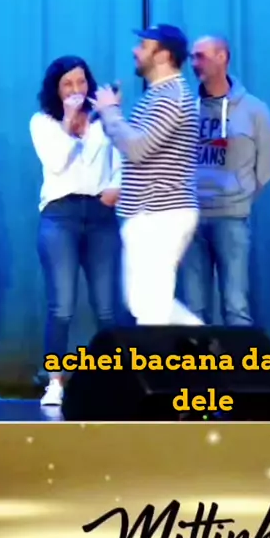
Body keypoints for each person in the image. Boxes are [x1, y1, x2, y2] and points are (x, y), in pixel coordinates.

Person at [91, 25, 202, 326]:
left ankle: (202, 348)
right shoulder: (158, 95)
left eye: (143, 46)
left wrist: (110, 111)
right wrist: (109, 114)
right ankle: (208, 344)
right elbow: (135, 145)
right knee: (142, 302)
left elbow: (137, 148)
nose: (135, 51)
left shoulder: (171, 97)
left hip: (161, 212)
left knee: (151, 308)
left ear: (163, 55)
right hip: (148, 213)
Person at [30, 55, 122, 407]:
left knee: (106, 307)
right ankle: (55, 381)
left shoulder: (103, 118)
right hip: (60, 215)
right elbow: (56, 162)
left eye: (81, 82)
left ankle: (115, 382)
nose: (76, 90)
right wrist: (69, 122)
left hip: (100, 214)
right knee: (62, 306)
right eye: (67, 84)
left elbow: (121, 159)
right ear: (56, 89)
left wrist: (116, 186)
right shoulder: (43, 122)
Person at [180, 35, 270, 325]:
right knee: (194, 310)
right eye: (192, 57)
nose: (194, 63)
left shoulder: (254, 110)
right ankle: (200, 356)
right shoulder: (185, 108)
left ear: (222, 57)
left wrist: (240, 198)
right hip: (191, 219)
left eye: (201, 56)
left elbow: (266, 168)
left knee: (236, 306)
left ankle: (241, 357)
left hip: (231, 219)